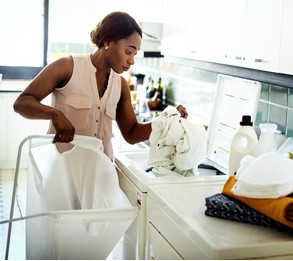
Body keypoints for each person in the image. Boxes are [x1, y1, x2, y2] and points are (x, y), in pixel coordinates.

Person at [13, 11, 188, 160]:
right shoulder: (67, 67)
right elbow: (22, 103)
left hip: (101, 173)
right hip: (63, 170)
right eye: (128, 51)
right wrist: (54, 114)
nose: (132, 60)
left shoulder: (120, 85)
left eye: (135, 53)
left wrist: (166, 120)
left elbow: (132, 133)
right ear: (108, 42)